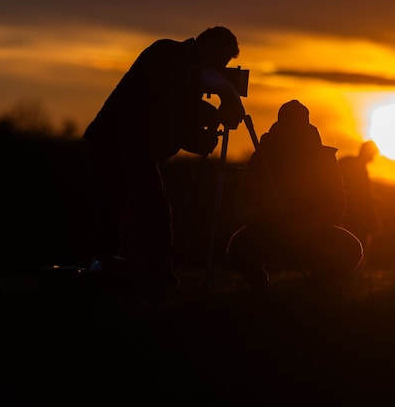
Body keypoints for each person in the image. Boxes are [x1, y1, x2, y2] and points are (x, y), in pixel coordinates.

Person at [83, 26, 246, 291]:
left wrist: (215, 116)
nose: (220, 68)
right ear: (208, 47)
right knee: (143, 211)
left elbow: (181, 109)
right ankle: (149, 278)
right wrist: (216, 115)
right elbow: (173, 112)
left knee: (121, 211)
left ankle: (115, 274)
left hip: (126, 143)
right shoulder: (170, 56)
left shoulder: (180, 64)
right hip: (121, 141)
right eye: (222, 60)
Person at [226, 100, 364, 288]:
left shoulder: (323, 158)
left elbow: (337, 202)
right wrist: (261, 219)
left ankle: (316, 283)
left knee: (351, 249)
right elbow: (242, 201)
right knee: (237, 246)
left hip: (312, 236)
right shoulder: (263, 156)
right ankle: (259, 286)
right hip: (270, 234)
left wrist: (314, 223)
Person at [338, 140, 380, 252]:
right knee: (355, 240)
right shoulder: (355, 166)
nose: (374, 157)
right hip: (352, 211)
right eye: (373, 154)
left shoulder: (348, 162)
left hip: (347, 209)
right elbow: (363, 195)